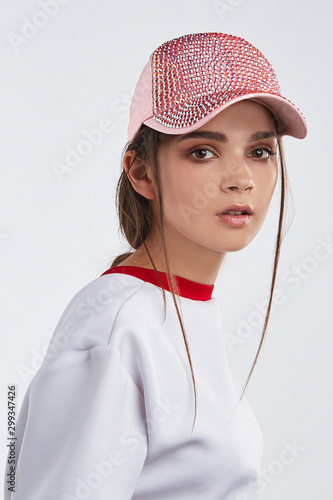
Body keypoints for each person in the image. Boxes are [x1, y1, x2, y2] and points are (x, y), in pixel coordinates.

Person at [5, 32, 307, 500]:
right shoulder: (118, 329)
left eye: (260, 151)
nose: (242, 179)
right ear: (142, 172)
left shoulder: (179, 308)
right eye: (203, 151)